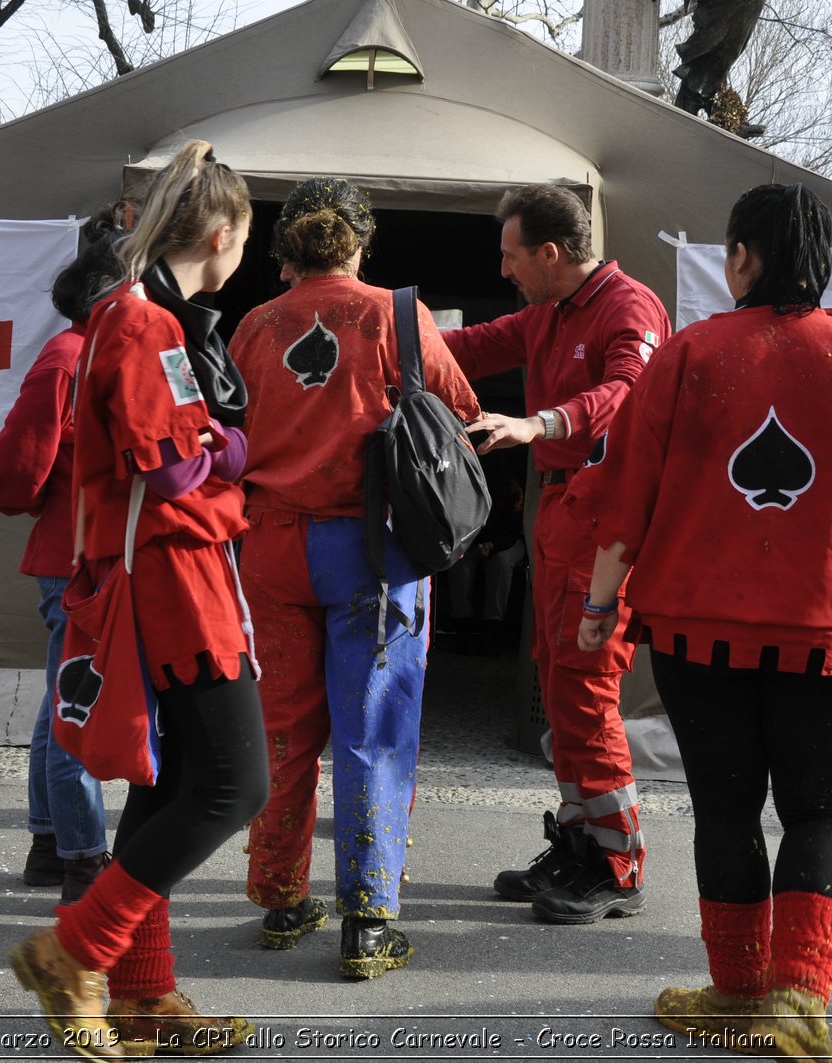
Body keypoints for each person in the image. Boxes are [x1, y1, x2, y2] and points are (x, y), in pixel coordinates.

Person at [573, 183, 832, 1060]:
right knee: (821, 812)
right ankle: (796, 1001)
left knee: (725, 808)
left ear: (743, 257)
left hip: (693, 627)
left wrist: (600, 606)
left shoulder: (688, 357)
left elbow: (623, 502)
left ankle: (735, 992)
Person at [8, 140, 266, 1059]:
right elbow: (179, 468)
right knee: (237, 784)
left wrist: (219, 452)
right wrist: (234, 459)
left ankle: (144, 996)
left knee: (168, 788)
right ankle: (72, 950)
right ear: (224, 232)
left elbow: (194, 448)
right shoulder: (146, 324)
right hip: (173, 576)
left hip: (176, 570)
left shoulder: (152, 316)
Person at [229, 177, 480, 979]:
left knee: (282, 726)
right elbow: (461, 412)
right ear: (363, 242)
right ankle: (367, 920)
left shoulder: (253, 325)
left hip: (269, 547)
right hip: (373, 551)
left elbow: (226, 432)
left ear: (283, 253)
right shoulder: (397, 316)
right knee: (373, 731)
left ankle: (279, 899)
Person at [442, 185, 671, 924]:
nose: (504, 270)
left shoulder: (629, 307)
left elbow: (626, 395)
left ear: (549, 253)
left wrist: (541, 421)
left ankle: (618, 864)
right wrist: (380, 327)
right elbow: (471, 345)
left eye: (511, 256)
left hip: (604, 520)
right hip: (562, 512)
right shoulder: (553, 311)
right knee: (559, 681)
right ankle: (580, 845)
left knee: (585, 688)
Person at [0, 212, 123, 903]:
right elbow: (14, 469)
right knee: (78, 706)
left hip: (71, 553)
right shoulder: (73, 356)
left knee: (58, 704)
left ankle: (52, 841)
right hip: (78, 559)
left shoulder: (75, 353)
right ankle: (83, 857)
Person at [444, 448, 526, 654]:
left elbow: (513, 529)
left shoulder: (512, 490)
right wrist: (471, 544)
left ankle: (493, 630)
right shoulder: (463, 485)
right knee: (459, 562)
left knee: (500, 562)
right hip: (472, 542)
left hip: (508, 543)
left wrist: (492, 545)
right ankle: (462, 627)